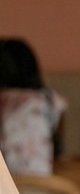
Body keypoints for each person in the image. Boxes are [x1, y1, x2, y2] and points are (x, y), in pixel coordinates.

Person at [0, 38, 66, 177]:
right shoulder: (50, 100)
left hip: (8, 190)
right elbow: (58, 147)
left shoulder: (5, 101)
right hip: (45, 188)